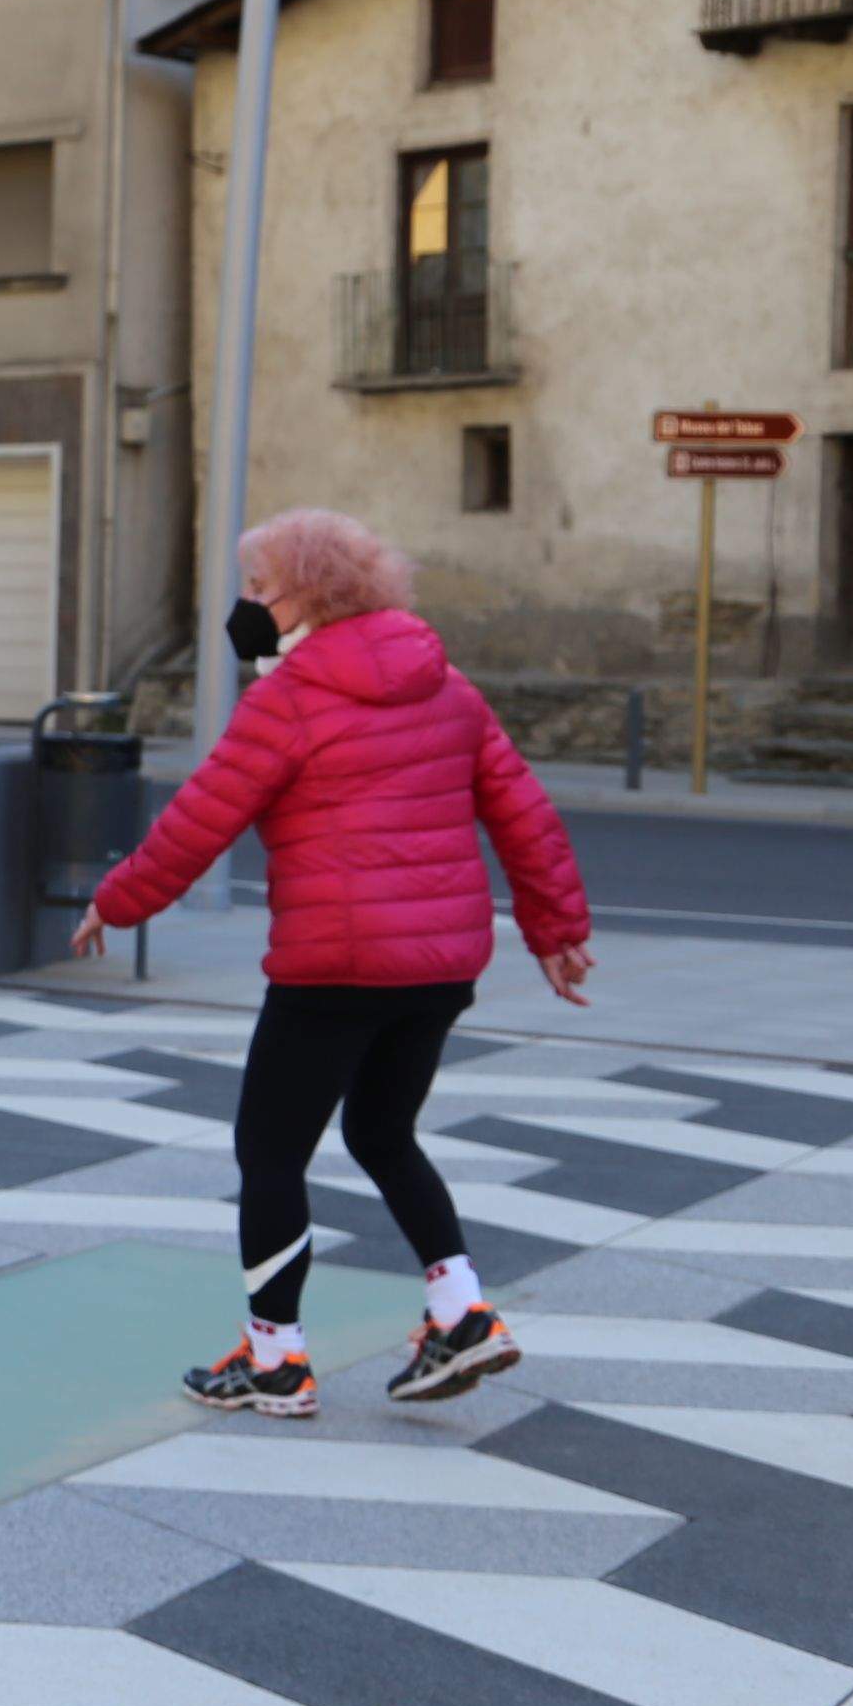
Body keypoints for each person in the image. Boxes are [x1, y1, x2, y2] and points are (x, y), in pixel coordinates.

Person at [77, 508, 591, 1418]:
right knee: (382, 1133)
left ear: (308, 597)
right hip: (439, 967)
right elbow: (524, 814)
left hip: (333, 967)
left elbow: (200, 820)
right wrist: (554, 929)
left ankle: (275, 1360)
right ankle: (461, 1309)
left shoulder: (288, 702)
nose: (244, 606)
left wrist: (115, 902)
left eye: (257, 590)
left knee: (269, 1153)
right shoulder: (450, 688)